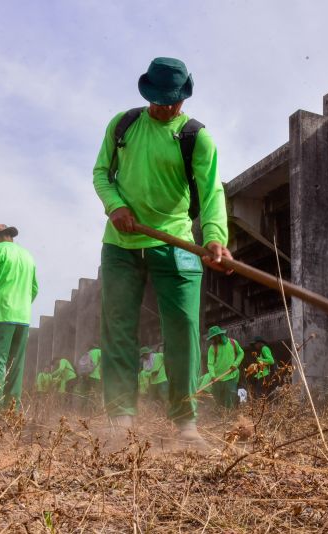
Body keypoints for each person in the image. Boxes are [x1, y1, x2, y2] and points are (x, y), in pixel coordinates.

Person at [92, 57, 230, 445]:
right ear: (145, 93)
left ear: (184, 97)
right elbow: (102, 172)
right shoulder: (123, 125)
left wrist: (215, 237)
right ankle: (120, 420)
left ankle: (186, 426)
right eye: (157, 100)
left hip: (177, 242)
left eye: (172, 101)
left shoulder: (196, 137)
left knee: (184, 329)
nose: (165, 108)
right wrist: (114, 206)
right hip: (121, 244)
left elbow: (212, 191)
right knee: (118, 328)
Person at [0, 224, 38, 411]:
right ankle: (12, 411)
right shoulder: (28, 256)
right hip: (22, 317)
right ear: (10, 236)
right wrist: (22, 304)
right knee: (15, 366)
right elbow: (35, 288)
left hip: (1, 313)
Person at [206, 326, 244, 409]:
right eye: (211, 338)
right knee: (218, 400)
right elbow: (210, 364)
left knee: (230, 399)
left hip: (231, 376)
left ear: (219, 335)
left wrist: (235, 364)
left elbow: (241, 353)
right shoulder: (212, 348)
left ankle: (230, 417)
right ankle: (220, 418)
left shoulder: (233, 343)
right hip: (217, 378)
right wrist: (212, 375)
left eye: (214, 337)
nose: (212, 340)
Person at [75, 345, 101, 412]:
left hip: (85, 376)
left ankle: (82, 412)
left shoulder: (87, 354)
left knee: (85, 395)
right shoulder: (98, 351)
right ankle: (94, 412)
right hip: (95, 377)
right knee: (95, 395)